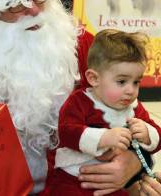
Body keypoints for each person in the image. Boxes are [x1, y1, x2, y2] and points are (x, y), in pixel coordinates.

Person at [0, 0, 152, 194]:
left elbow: (135, 116)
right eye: (14, 1)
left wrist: (136, 162)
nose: (32, 10)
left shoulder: (81, 46)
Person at [48, 29, 161, 196]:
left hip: (116, 185)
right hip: (76, 177)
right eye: (122, 81)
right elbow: (66, 132)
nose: (131, 90)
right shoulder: (80, 101)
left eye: (136, 82)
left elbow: (157, 137)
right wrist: (102, 138)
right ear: (94, 78)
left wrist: (147, 134)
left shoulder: (133, 107)